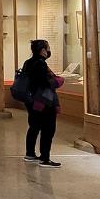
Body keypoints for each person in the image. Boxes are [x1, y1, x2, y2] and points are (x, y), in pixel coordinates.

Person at [22, 39, 64, 168]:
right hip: (43, 101)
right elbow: (47, 83)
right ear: (43, 50)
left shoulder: (28, 62)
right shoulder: (40, 64)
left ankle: (30, 153)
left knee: (34, 126)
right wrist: (59, 80)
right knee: (48, 129)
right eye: (47, 48)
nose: (49, 51)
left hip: (31, 100)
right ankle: (45, 158)